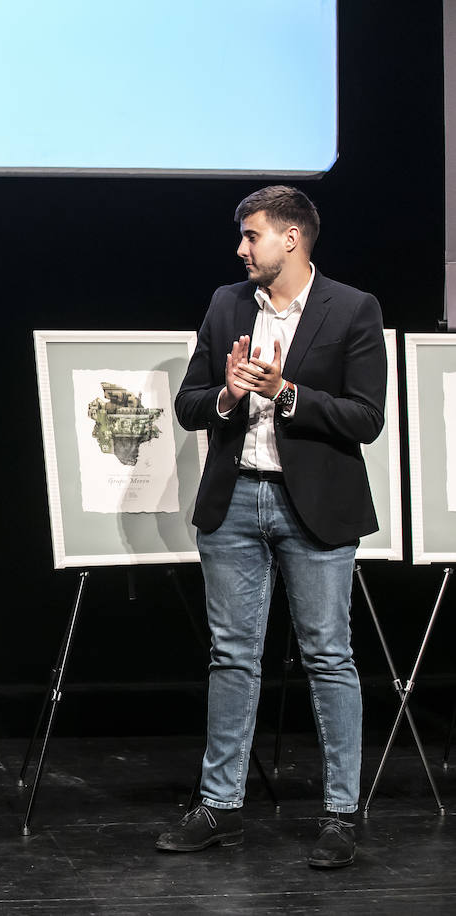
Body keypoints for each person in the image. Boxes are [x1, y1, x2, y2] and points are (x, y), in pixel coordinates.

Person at [160, 187, 385, 869]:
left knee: (328, 656)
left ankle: (341, 813)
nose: (241, 249)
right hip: (235, 505)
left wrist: (286, 394)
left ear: (292, 238)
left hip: (311, 507)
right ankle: (220, 805)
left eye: (252, 235)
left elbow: (366, 418)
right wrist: (229, 394)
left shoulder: (352, 308)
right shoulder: (227, 304)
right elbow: (190, 404)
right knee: (232, 656)